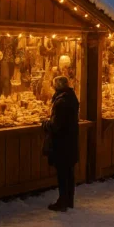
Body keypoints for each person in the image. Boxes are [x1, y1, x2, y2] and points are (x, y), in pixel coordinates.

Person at [43, 76, 79, 211]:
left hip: (62, 143)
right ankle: (69, 200)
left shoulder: (61, 102)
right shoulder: (71, 97)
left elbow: (56, 125)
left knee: (63, 173)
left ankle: (62, 201)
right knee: (69, 172)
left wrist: (45, 123)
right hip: (70, 141)